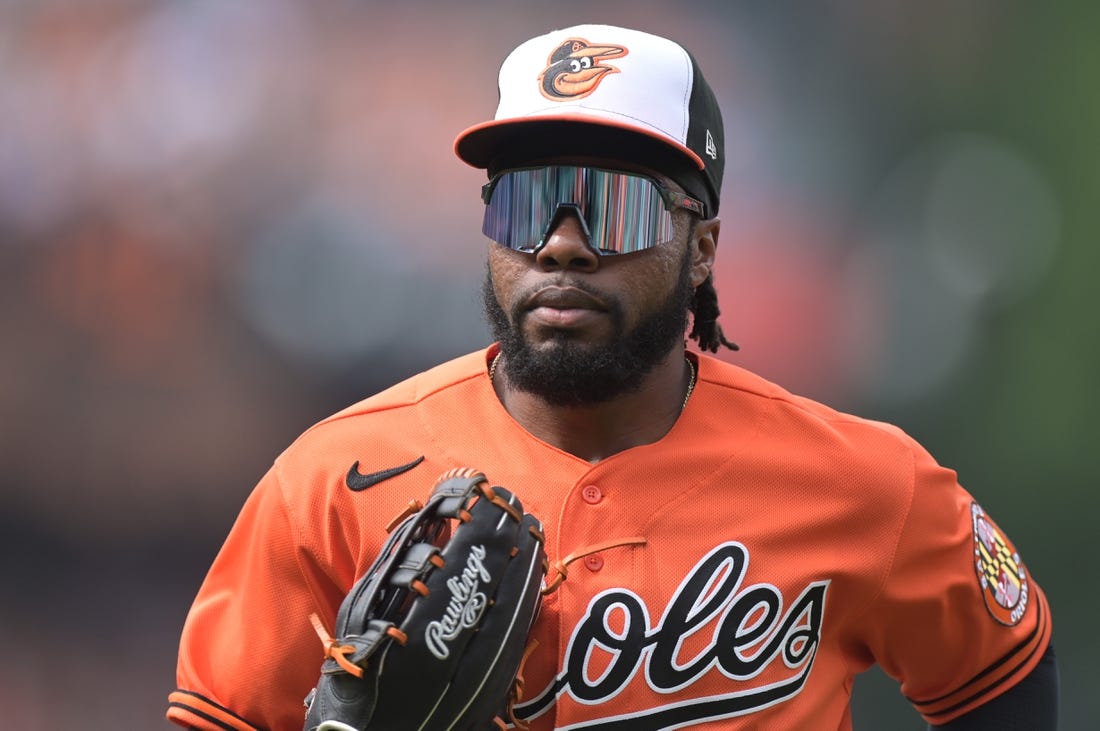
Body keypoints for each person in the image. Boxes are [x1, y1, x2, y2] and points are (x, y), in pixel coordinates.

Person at [166, 24, 1057, 731]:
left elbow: (1004, 671)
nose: (561, 242)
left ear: (700, 249)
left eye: (614, 204)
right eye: (523, 201)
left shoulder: (865, 484)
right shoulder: (333, 484)